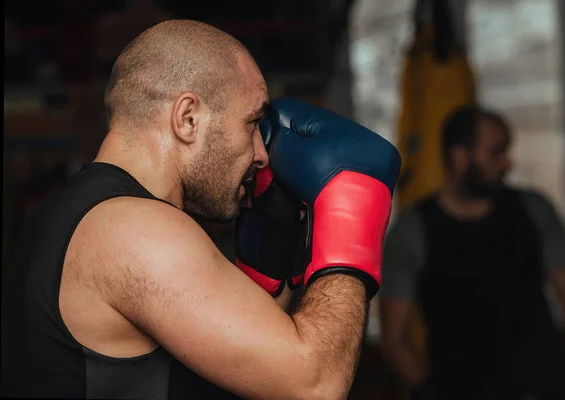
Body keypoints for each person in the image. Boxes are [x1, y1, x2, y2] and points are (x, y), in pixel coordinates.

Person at [0, 20, 401, 399]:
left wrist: (273, 245)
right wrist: (351, 214)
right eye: (251, 122)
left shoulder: (79, 215)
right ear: (187, 118)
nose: (262, 155)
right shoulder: (133, 231)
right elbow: (315, 385)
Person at [379, 105, 565, 399]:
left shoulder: (533, 210)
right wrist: (426, 391)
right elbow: (394, 337)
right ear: (460, 157)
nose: (508, 162)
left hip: (543, 386)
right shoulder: (412, 232)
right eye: (497, 152)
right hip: (460, 388)